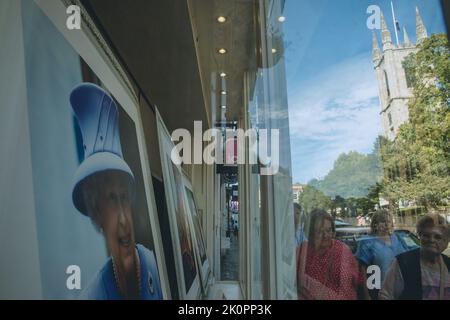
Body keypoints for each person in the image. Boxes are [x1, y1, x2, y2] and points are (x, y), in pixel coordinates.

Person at [70, 83, 163, 300]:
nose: (124, 219)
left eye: (124, 198)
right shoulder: (92, 296)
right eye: (112, 199)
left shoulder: (151, 262)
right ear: (97, 215)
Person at [297, 209, 368, 300]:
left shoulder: (343, 250)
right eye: (319, 232)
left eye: (329, 230)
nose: (326, 235)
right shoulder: (302, 252)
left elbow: (359, 281)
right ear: (310, 234)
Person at [379, 214, 450, 300]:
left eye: (437, 237)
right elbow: (386, 295)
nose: (431, 240)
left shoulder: (448, 264)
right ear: (420, 236)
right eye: (426, 235)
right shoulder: (404, 262)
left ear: (446, 242)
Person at [355, 209, 415, 299]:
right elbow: (362, 271)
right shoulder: (367, 242)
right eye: (383, 221)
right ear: (375, 224)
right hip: (379, 291)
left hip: (402, 289)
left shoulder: (399, 238)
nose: (387, 225)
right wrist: (367, 296)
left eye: (389, 221)